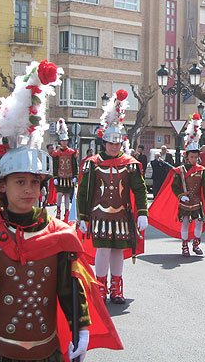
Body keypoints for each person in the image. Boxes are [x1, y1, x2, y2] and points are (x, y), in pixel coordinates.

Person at [0, 59, 122, 361]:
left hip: (47, 350)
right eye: (20, 181)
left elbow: (70, 290)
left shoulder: (60, 236)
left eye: (35, 182)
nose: (28, 190)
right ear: (2, 186)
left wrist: (82, 330)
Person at [77, 89, 149, 304]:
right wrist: (82, 216)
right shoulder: (92, 163)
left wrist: (143, 212)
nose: (114, 147)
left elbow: (139, 189)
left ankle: (116, 287)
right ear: (104, 144)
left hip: (122, 215)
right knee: (103, 250)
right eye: (110, 143)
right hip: (99, 215)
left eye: (117, 144)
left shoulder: (131, 165)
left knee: (118, 251)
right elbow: (84, 191)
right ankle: (100, 287)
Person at [149, 113, 205, 257]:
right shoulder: (179, 171)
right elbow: (174, 186)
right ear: (186, 156)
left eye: (196, 157)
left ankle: (196, 243)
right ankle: (184, 245)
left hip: (197, 203)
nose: (194, 159)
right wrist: (180, 196)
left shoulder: (202, 171)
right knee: (184, 223)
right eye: (192, 157)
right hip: (185, 202)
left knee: (198, 223)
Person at [52, 118, 78, 220]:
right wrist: (54, 177)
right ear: (60, 142)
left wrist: (75, 176)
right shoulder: (56, 153)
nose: (64, 143)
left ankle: (66, 212)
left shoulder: (72, 152)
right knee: (59, 194)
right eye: (62, 141)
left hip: (69, 176)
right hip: (59, 176)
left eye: (65, 141)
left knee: (67, 195)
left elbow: (74, 165)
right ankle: (58, 211)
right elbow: (55, 166)